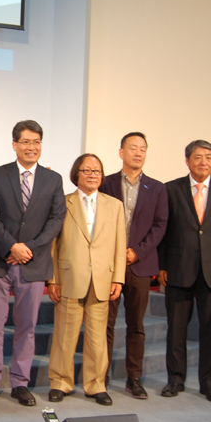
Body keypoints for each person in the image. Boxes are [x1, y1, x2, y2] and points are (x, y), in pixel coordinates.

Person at [0, 120, 65, 406]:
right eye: (25, 142)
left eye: (36, 142)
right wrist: (11, 246)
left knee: (27, 327)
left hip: (33, 264)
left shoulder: (53, 179)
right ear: (14, 145)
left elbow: (56, 220)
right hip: (0, 261)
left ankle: (19, 382)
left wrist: (28, 249)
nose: (31, 147)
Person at [159, 140, 211, 404]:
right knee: (176, 330)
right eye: (197, 157)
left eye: (208, 157)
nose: (203, 162)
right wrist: (162, 264)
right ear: (187, 161)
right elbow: (164, 230)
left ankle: (210, 384)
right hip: (178, 268)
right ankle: (175, 380)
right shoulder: (171, 189)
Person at [47, 154, 126, 406]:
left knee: (97, 338)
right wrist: (52, 279)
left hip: (103, 279)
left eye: (97, 171)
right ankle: (60, 382)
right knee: (64, 336)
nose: (93, 175)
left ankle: (96, 385)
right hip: (69, 278)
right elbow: (53, 243)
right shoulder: (63, 202)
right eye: (87, 170)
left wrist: (118, 278)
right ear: (76, 174)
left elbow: (120, 244)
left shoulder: (115, 205)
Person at [99, 132, 168, 399]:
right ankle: (100, 377)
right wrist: (116, 252)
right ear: (121, 152)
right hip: (109, 264)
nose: (138, 153)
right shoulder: (106, 183)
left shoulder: (157, 188)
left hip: (140, 265)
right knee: (105, 323)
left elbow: (160, 226)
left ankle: (134, 378)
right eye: (133, 148)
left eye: (142, 149)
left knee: (136, 325)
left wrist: (137, 252)